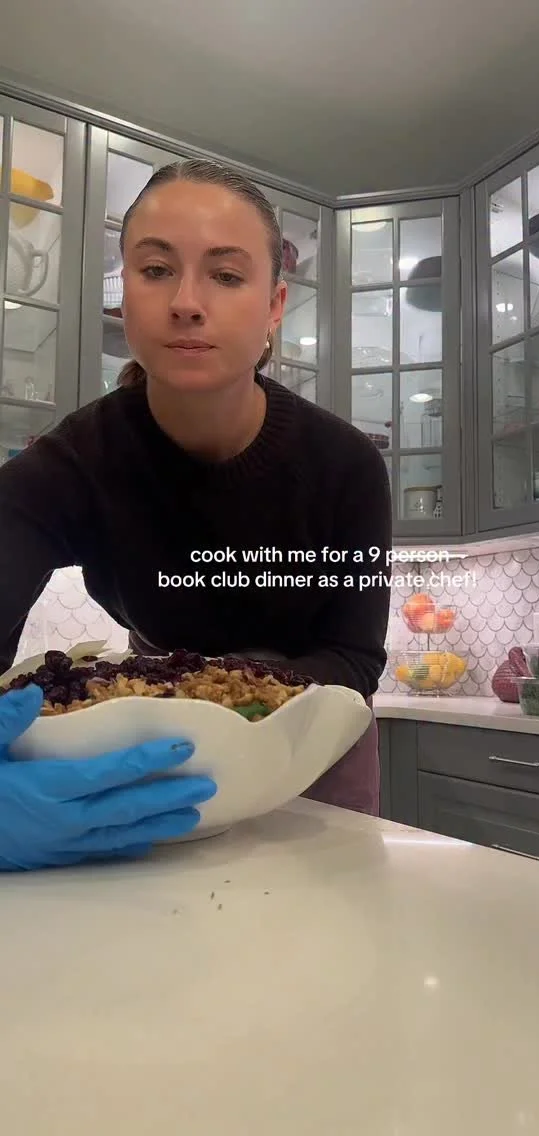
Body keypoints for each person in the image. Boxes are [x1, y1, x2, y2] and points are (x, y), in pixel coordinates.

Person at [0, 159, 392, 871]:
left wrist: (227, 702)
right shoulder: (74, 463)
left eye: (226, 275)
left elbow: (355, 656)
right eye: (156, 270)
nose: (186, 302)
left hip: (312, 745)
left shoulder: (346, 466)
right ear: (125, 296)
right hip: (156, 749)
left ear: (274, 306)